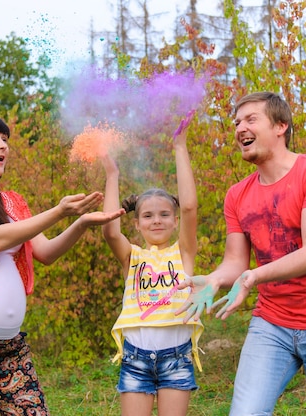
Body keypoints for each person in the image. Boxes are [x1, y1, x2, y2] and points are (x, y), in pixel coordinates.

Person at [0, 114, 124, 415]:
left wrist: (80, 223)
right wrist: (58, 211)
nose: (2, 145)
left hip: (6, 344)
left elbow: (46, 252)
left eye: (5, 139)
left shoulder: (13, 202)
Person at [177, 92, 306, 416]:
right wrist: (216, 278)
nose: (239, 129)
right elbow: (236, 260)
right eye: (236, 122)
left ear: (281, 126)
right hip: (272, 324)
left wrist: (254, 277)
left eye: (250, 119)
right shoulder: (237, 195)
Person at [101, 110, 203, 416]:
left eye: (163, 215)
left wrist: (180, 147)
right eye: (147, 215)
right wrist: (112, 175)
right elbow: (109, 230)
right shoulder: (133, 256)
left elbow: (189, 206)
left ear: (174, 222)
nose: (156, 220)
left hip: (176, 358)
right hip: (136, 359)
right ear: (137, 224)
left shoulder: (183, 253)